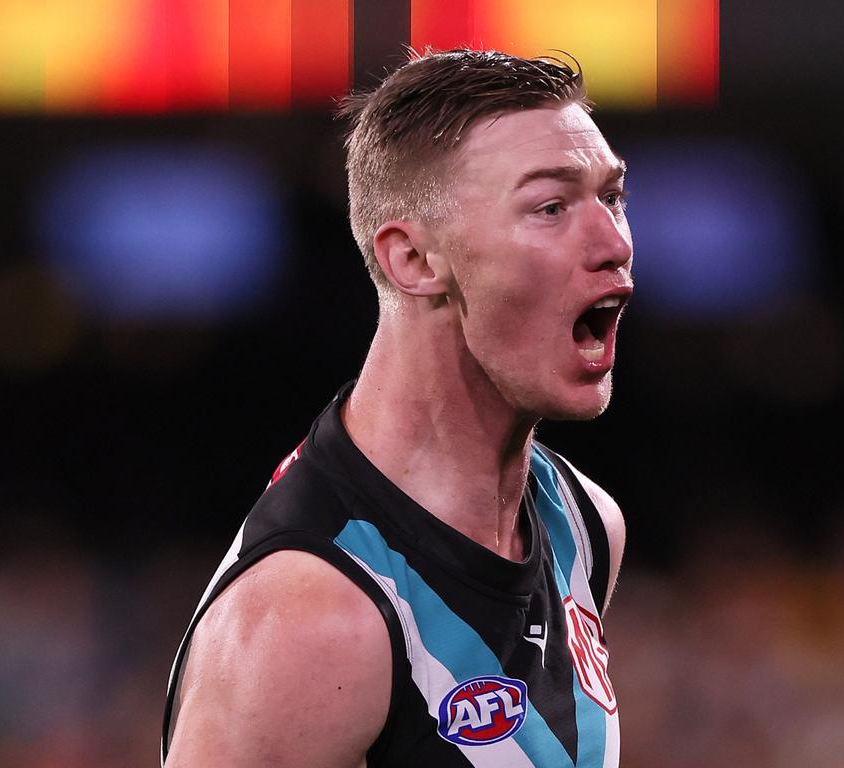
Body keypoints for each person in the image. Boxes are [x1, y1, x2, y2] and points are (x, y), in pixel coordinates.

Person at [162, 48, 633, 768]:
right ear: (412, 261)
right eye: (550, 206)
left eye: (612, 198)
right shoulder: (310, 617)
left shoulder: (584, 525)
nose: (613, 244)